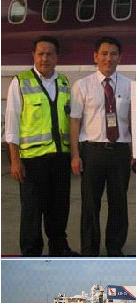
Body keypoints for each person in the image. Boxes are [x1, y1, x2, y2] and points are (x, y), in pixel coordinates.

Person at [5, 35, 79, 257]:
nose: (45, 58)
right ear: (34, 56)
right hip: (31, 161)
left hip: (59, 158)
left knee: (58, 208)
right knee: (32, 211)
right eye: (40, 54)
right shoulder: (20, 82)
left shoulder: (64, 82)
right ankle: (30, 252)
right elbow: (11, 125)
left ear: (57, 57)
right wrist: (15, 160)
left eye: (49, 54)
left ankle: (58, 248)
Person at [70, 36, 136, 257]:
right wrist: (75, 155)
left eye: (113, 54)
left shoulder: (130, 86)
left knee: (118, 203)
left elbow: (135, 120)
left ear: (120, 57)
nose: (108, 58)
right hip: (92, 151)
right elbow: (74, 121)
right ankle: (89, 250)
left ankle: (114, 247)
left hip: (120, 151)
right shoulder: (82, 86)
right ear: (95, 56)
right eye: (104, 53)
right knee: (91, 205)